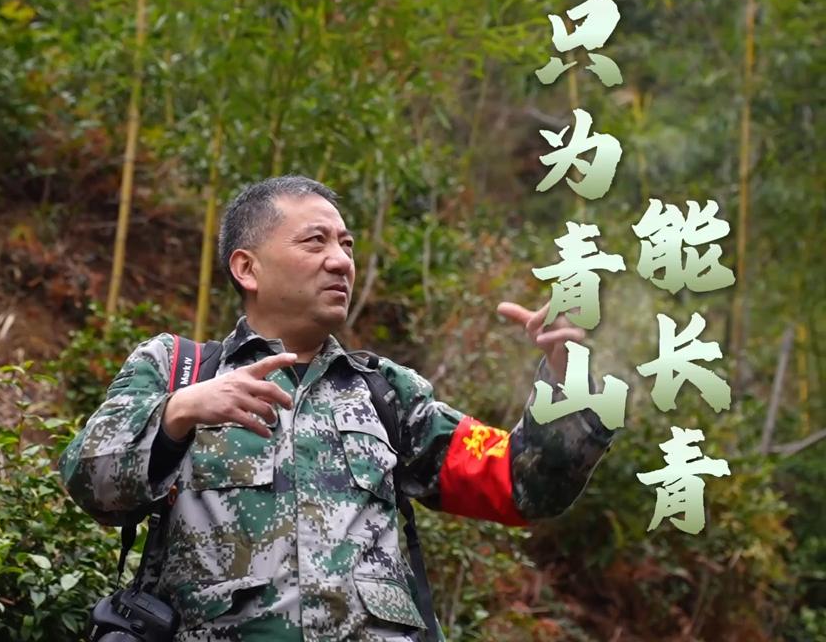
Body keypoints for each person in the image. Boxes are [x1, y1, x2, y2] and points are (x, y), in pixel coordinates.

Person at [60, 176, 615, 641]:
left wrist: (567, 382)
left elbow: (520, 484)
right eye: (315, 242)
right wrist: (179, 413)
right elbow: (91, 484)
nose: (340, 262)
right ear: (247, 268)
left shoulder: (387, 393)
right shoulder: (178, 368)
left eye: (347, 246)